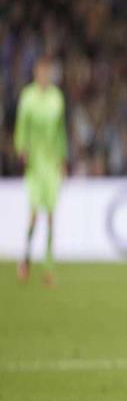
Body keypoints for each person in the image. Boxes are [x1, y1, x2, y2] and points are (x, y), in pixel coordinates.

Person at [14, 56, 67, 287]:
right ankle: (26, 258)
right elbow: (21, 127)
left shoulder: (57, 98)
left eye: (48, 72)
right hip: (35, 164)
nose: (44, 76)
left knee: (52, 216)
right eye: (41, 72)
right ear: (36, 73)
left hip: (51, 163)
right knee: (34, 213)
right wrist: (21, 148)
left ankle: (48, 266)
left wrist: (62, 159)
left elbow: (60, 131)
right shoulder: (28, 97)